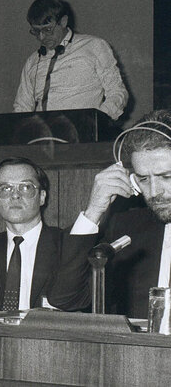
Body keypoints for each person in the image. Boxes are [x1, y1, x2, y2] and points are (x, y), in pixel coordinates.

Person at [48, 110, 171, 318]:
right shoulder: (127, 230)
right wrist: (94, 210)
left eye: (166, 176)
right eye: (143, 179)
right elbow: (66, 298)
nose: (154, 192)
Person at [0, 157, 62, 311]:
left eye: (26, 187)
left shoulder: (66, 245)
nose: (15, 195)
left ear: (42, 197)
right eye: (5, 188)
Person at [12, 0, 128, 121]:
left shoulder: (94, 46)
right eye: (36, 31)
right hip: (44, 136)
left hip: (82, 133)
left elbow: (117, 92)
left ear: (63, 21)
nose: (41, 37)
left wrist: (97, 119)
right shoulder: (32, 61)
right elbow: (22, 107)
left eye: (48, 29)